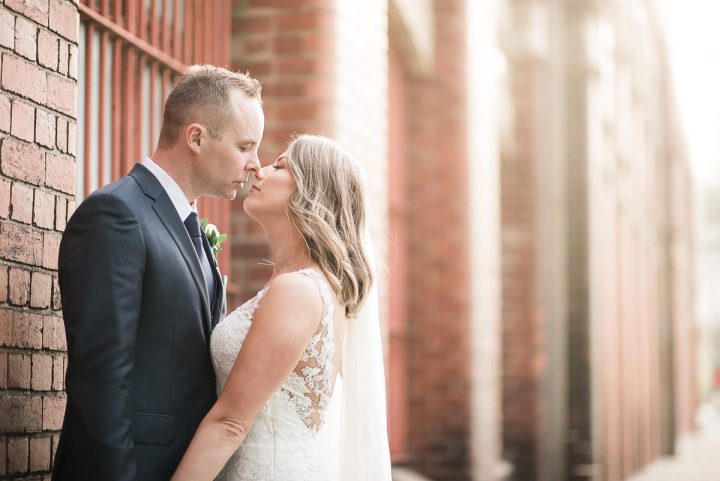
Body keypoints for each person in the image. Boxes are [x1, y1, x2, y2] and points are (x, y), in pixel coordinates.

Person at [52, 65, 265, 481]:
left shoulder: (192, 230)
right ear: (197, 137)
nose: (256, 165)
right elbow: (99, 385)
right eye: (245, 146)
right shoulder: (116, 215)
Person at [170, 134, 392, 481]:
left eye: (281, 165)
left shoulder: (297, 291)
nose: (260, 169)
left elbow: (230, 423)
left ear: (310, 192)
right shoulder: (299, 285)